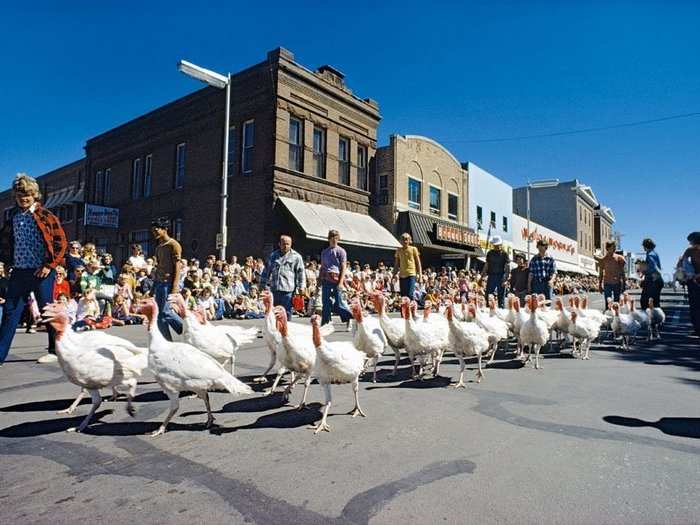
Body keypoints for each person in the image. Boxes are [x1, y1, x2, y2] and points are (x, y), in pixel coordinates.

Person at [0, 173, 67, 365]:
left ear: (34, 195)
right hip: (20, 270)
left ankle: (55, 351)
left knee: (48, 311)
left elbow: (60, 243)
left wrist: (49, 265)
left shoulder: (45, 215)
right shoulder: (12, 216)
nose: (24, 198)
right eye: (20, 195)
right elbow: (6, 242)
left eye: (27, 194)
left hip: (42, 271)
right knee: (10, 311)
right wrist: (5, 262)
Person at [151, 217, 183, 340]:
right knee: (159, 315)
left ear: (165, 229)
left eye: (156, 230)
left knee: (165, 312)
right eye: (153, 230)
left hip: (168, 283)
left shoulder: (173, 245)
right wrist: (153, 288)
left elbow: (177, 267)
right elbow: (158, 268)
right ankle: (167, 341)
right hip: (159, 283)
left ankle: (185, 329)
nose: (154, 232)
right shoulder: (158, 247)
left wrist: (175, 287)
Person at [263, 234, 306, 321]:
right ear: (279, 244)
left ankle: (286, 330)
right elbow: (266, 270)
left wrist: (301, 287)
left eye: (288, 244)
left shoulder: (297, 257)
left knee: (286, 312)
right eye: (283, 244)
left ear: (291, 245)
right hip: (275, 289)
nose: (285, 246)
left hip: (288, 290)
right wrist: (262, 283)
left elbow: (301, 273)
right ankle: (276, 330)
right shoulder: (273, 256)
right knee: (274, 311)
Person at [319, 230, 352, 328]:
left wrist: (341, 282)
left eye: (336, 238)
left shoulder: (341, 251)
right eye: (332, 238)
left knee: (339, 303)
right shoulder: (324, 252)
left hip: (337, 278)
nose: (334, 240)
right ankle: (325, 323)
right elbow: (323, 267)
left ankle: (349, 318)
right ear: (329, 239)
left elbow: (343, 267)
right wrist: (319, 281)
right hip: (326, 278)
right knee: (325, 303)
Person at [678, 232, 700, 336]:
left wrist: (697, 276)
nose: (690, 243)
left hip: (696, 279)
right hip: (692, 282)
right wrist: (681, 273)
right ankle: (697, 328)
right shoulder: (689, 250)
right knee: (694, 306)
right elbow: (682, 261)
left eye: (691, 241)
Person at [481, 236, 510, 308]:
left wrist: (505, 279)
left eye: (497, 245)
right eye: (495, 245)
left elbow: (507, 267)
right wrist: (482, 274)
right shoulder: (489, 253)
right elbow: (487, 264)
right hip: (491, 276)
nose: (496, 246)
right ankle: (489, 308)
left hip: (501, 276)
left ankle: (501, 309)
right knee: (488, 294)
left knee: (501, 296)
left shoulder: (504, 254)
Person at [395, 233, 422, 299]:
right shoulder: (398, 250)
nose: (405, 241)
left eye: (407, 239)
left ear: (410, 240)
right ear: (400, 241)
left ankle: (411, 308)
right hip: (402, 275)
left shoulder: (413, 249)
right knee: (403, 296)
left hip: (411, 274)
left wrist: (420, 276)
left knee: (410, 294)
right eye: (403, 239)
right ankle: (405, 309)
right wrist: (393, 275)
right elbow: (396, 264)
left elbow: (418, 263)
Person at [640, 238, 663, 311]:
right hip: (657, 280)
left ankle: (649, 319)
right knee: (655, 302)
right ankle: (657, 320)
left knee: (644, 302)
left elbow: (653, 268)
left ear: (645, 246)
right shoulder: (654, 253)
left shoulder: (650, 255)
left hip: (653, 281)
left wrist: (644, 270)